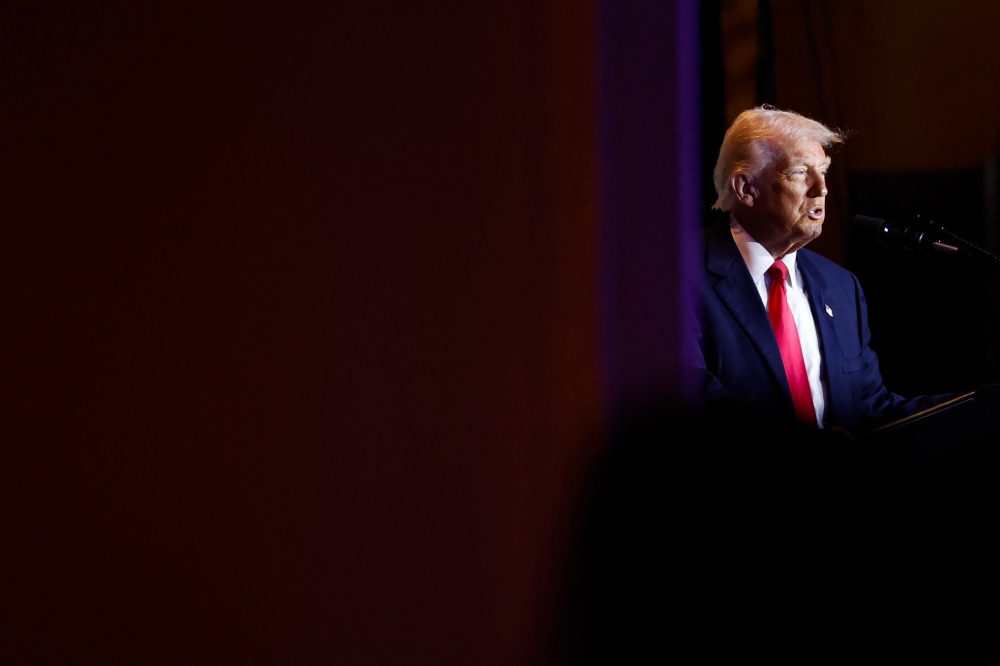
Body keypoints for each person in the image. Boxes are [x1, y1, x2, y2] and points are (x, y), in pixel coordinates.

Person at [692, 105, 954, 437]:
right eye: (800, 172)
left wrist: (977, 409)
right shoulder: (676, 277)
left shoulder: (840, 286)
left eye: (824, 171)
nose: (822, 188)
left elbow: (869, 411)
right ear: (746, 188)